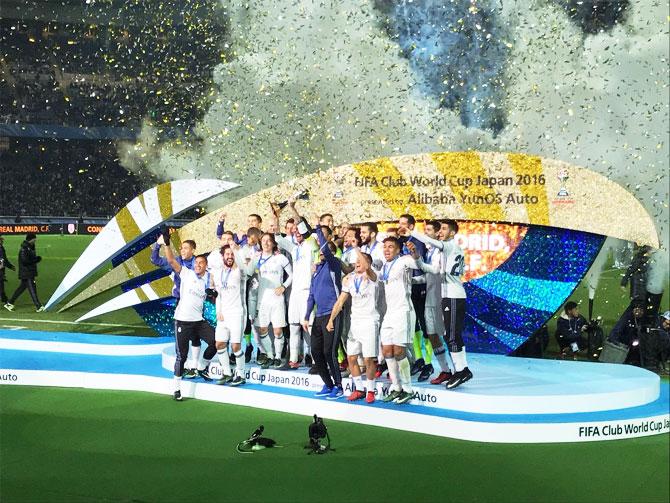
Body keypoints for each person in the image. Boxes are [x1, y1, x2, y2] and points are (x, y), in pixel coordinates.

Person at [405, 220, 472, 389]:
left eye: (443, 229)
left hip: (453, 295)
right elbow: (433, 272)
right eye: (440, 228)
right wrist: (417, 259)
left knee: (451, 335)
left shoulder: (449, 246)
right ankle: (456, 370)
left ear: (452, 233)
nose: (440, 232)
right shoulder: (444, 251)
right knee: (447, 335)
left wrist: (411, 232)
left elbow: (430, 242)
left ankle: (462, 370)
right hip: (445, 295)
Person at [159, 233, 217, 401]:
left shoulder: (207, 279)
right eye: (197, 262)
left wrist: (214, 293)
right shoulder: (187, 273)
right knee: (181, 356)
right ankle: (176, 388)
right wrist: (167, 244)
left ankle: (202, 366)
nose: (198, 265)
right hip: (183, 322)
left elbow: (215, 290)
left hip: (198, 321)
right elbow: (171, 261)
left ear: (206, 266)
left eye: (201, 263)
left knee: (216, 342)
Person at [327, 252, 380, 403]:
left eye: (360, 261)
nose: (356, 263)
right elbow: (340, 301)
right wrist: (331, 319)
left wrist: (356, 248)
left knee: (369, 359)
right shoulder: (350, 280)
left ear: (367, 263)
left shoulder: (372, 277)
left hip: (370, 321)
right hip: (355, 322)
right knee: (351, 357)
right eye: (355, 261)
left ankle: (371, 390)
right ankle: (359, 389)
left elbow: (369, 270)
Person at [271, 200, 318, 370]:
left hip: (308, 291)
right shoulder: (294, 248)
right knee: (294, 326)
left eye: (299, 230)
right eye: (295, 231)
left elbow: (302, 226)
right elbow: (277, 236)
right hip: (295, 293)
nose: (296, 232)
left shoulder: (311, 243)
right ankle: (293, 361)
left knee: (310, 327)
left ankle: (316, 361)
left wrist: (292, 208)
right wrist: (276, 216)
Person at [377, 236, 422, 404]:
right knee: (387, 351)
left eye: (390, 247)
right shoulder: (384, 266)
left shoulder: (404, 261)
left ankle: (408, 389)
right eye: (385, 247)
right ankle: (396, 387)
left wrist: (415, 252)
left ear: (397, 250)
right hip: (390, 313)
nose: (387, 250)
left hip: (404, 311)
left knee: (399, 352)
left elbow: (418, 264)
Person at [407, 220, 453, 382]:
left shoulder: (441, 251)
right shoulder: (430, 250)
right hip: (428, 295)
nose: (426, 233)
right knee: (427, 331)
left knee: (441, 334)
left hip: (440, 297)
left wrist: (414, 278)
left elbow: (434, 272)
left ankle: (453, 369)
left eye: (429, 230)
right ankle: (443, 369)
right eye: (424, 230)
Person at [302, 223, 343, 399]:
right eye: (319, 252)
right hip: (318, 316)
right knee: (316, 352)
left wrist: (317, 230)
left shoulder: (334, 265)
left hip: (332, 314)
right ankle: (328, 384)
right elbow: (311, 295)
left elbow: (326, 250)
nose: (320, 253)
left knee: (329, 352)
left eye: (323, 251)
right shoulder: (316, 271)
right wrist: (306, 316)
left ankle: (339, 386)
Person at [150, 233, 200, 376]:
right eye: (181, 248)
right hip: (180, 301)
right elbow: (155, 260)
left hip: (195, 302)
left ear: (193, 250)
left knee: (195, 334)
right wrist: (158, 244)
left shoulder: (198, 263)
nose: (183, 250)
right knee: (182, 336)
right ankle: (182, 365)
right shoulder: (176, 261)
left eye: (186, 248)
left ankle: (195, 366)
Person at [210, 244, 255, 386]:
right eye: (227, 254)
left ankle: (241, 375)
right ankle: (227, 373)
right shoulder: (218, 273)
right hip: (223, 314)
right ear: (222, 256)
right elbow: (218, 295)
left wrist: (235, 249)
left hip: (237, 313)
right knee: (220, 344)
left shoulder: (239, 272)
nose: (229, 257)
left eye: (231, 255)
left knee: (236, 346)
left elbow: (243, 267)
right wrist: (218, 311)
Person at [254, 232, 293, 368]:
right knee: (262, 330)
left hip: (277, 299)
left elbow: (292, 274)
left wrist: (284, 286)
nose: (266, 243)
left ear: (273, 243)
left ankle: (277, 356)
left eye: (268, 241)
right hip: (261, 300)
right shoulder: (256, 258)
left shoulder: (280, 258)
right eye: (263, 241)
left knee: (277, 331)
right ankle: (269, 355)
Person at [6, 232, 44, 312]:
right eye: (34, 239)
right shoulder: (24, 249)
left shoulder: (30, 247)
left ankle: (9, 303)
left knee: (21, 288)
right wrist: (36, 260)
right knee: (32, 289)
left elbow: (29, 259)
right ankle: (38, 306)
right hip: (27, 273)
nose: (35, 241)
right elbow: (25, 261)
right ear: (31, 239)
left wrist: (35, 259)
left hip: (28, 272)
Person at [1, 234, 16, 309]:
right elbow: (3, 260)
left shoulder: (1, 247)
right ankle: (7, 302)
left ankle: (6, 301)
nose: (3, 240)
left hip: (1, 271)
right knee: (1, 287)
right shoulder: (1, 248)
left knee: (1, 287)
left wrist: (10, 266)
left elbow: (4, 260)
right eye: (1, 239)